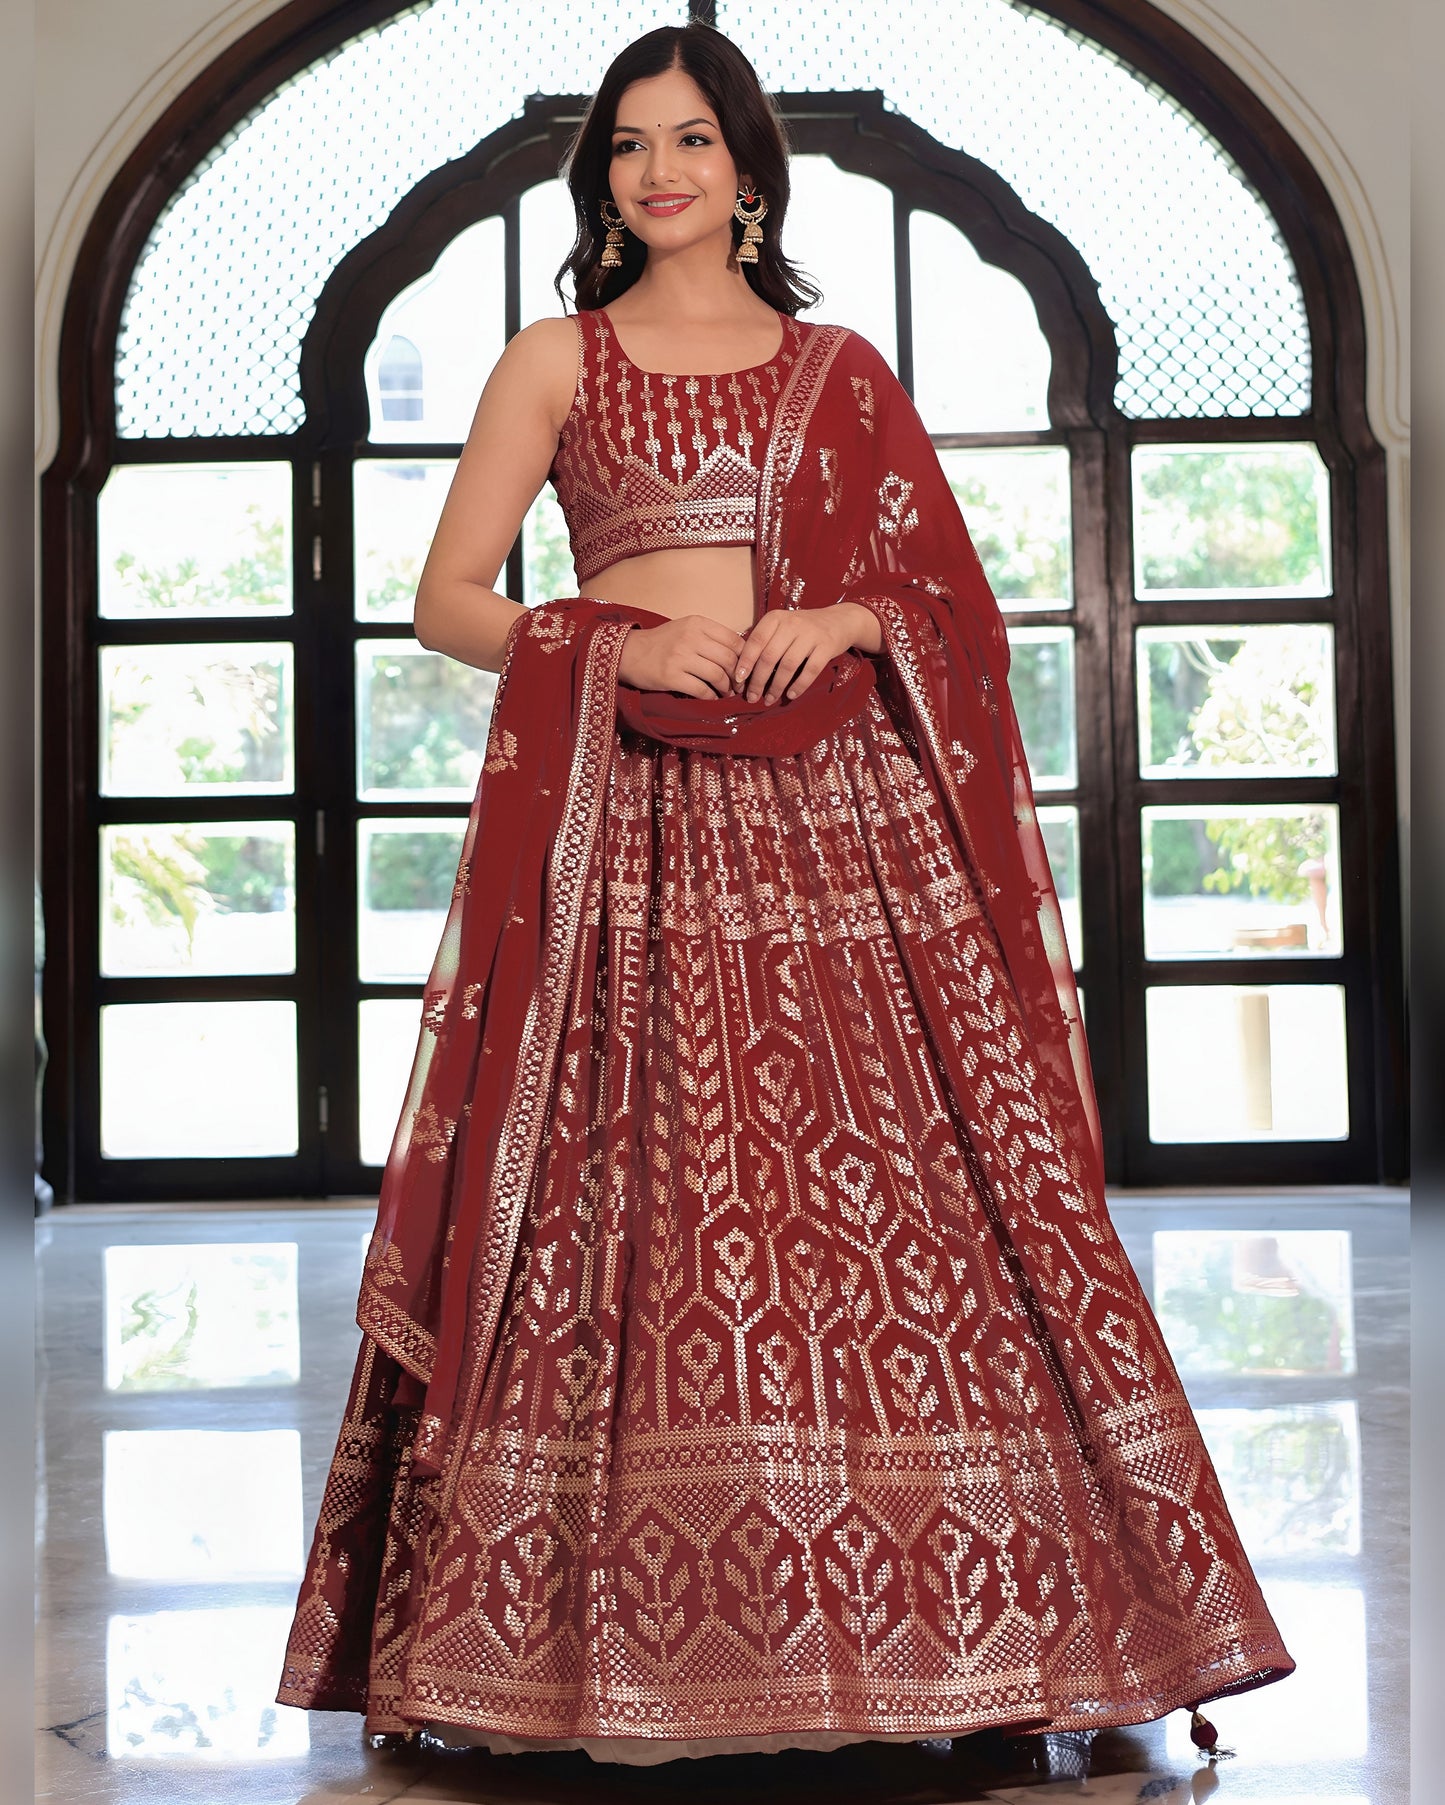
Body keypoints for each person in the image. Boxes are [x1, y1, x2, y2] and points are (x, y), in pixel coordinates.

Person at [276, 20, 1294, 1767]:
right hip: (632, 824)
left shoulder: (840, 370)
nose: (657, 171)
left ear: (749, 170)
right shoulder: (556, 360)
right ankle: (588, 1660)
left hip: (842, 821)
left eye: (690, 140)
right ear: (601, 178)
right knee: (640, 1196)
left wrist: (846, 618)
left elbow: (949, 607)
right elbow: (448, 600)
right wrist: (614, 639)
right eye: (626, 145)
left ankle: (967, 1643)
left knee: (905, 1195)